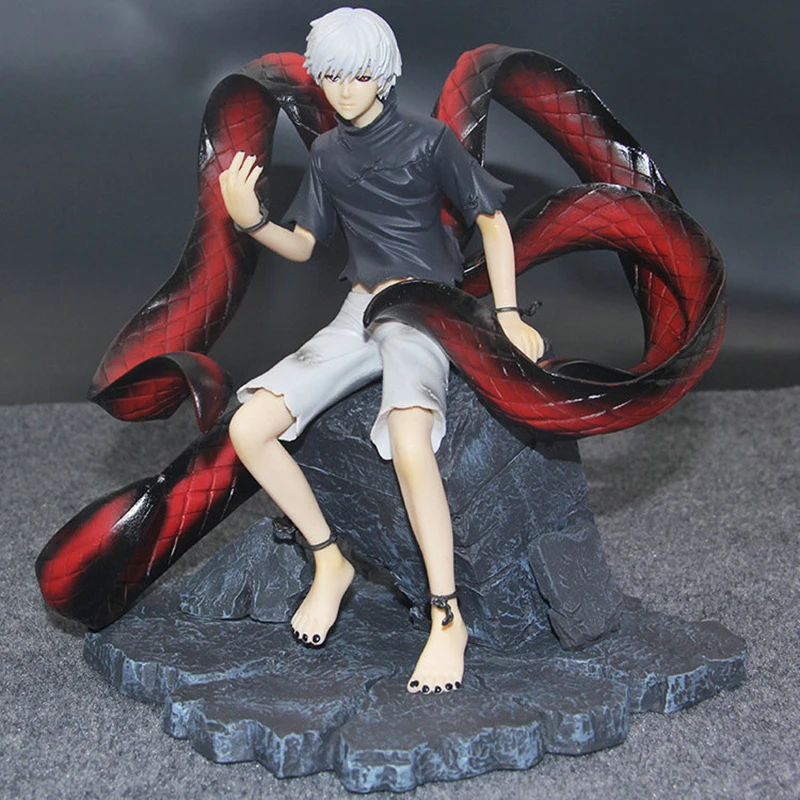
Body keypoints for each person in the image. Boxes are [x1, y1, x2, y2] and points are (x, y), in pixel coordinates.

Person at [218, 7, 543, 695]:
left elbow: (491, 221)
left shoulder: (431, 141)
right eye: (332, 74)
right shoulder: (327, 154)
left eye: (360, 74)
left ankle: (447, 616)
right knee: (248, 426)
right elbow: (304, 245)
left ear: (385, 75)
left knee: (409, 438)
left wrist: (509, 313)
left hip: (424, 310)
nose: (344, 89)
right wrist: (252, 222)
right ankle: (328, 559)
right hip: (358, 311)